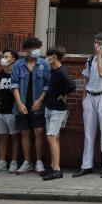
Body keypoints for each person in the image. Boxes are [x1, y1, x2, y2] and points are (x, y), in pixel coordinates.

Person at [74, 31, 102, 178]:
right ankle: (86, 165)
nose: (97, 45)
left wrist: (99, 56)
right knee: (88, 133)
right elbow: (86, 78)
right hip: (90, 97)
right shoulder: (90, 59)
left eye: (100, 43)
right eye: (96, 42)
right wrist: (83, 98)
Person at [10, 36, 49, 175]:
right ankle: (27, 162)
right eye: (33, 48)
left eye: (38, 48)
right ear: (26, 50)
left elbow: (47, 85)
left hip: (38, 105)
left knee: (39, 131)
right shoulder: (18, 65)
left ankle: (39, 160)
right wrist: (19, 103)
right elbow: (14, 85)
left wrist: (39, 101)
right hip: (22, 105)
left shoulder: (44, 64)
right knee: (24, 133)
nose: (36, 51)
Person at [41, 46, 76, 181]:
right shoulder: (53, 70)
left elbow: (72, 85)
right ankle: (54, 166)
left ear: (54, 57)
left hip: (58, 110)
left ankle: (56, 169)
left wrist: (63, 95)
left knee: (51, 137)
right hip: (50, 108)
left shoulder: (61, 71)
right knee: (54, 138)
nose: (46, 58)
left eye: (48, 56)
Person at [0, 49, 22, 173]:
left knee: (15, 137)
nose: (3, 58)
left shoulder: (17, 74)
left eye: (6, 56)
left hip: (13, 111)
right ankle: (2, 162)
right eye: (2, 56)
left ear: (13, 59)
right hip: (1, 111)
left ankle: (14, 161)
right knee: (2, 137)